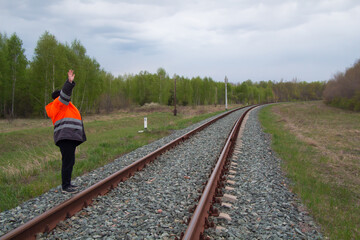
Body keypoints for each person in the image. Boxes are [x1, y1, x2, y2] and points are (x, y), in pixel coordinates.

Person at [46, 69, 86, 194]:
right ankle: (65, 186)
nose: (67, 97)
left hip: (69, 136)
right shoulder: (58, 104)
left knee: (70, 160)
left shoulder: (64, 106)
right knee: (68, 161)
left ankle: (68, 184)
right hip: (65, 137)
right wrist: (69, 82)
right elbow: (65, 94)